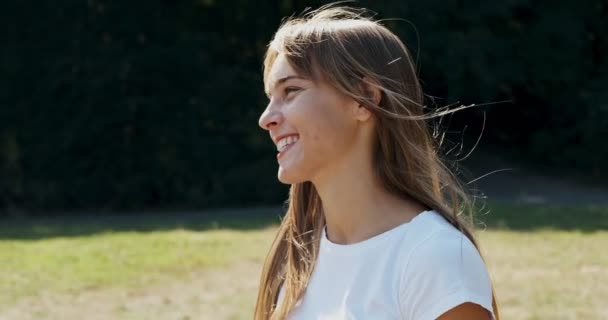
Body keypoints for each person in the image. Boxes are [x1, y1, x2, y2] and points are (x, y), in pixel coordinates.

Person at [254, 4, 500, 320]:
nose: (266, 119)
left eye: (291, 91)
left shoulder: (434, 257)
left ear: (365, 99)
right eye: (270, 98)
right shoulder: (295, 259)